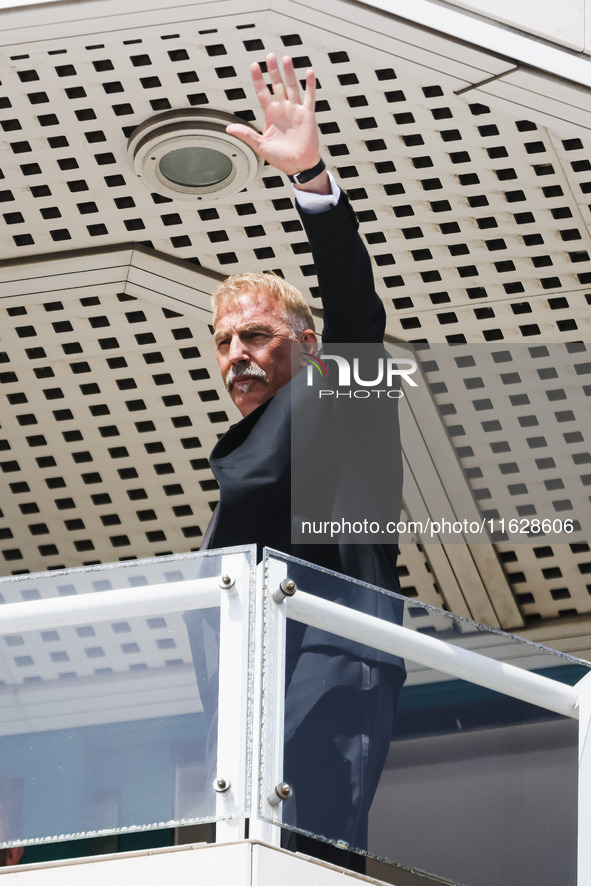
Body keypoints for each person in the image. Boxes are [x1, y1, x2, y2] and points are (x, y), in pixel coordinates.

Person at [199, 54, 406, 869]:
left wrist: (311, 179)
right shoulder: (246, 447)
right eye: (223, 343)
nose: (236, 355)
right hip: (248, 689)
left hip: (333, 665)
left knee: (308, 857)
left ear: (306, 346)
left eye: (256, 335)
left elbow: (354, 305)